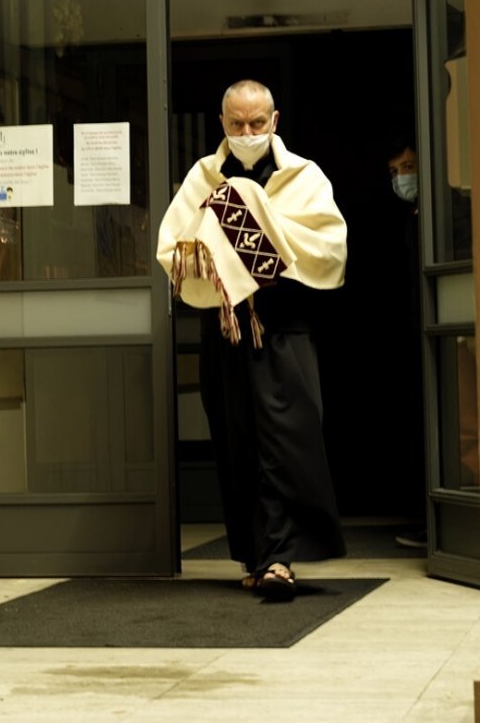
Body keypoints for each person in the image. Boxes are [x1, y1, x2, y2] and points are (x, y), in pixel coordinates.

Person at [157, 79, 348, 600]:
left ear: (275, 120)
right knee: (237, 440)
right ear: (222, 124)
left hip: (284, 328)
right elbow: (174, 250)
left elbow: (329, 246)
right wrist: (219, 245)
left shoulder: (304, 177)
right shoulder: (203, 176)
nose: (247, 132)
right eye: (237, 124)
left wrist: (262, 233)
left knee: (287, 441)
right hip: (227, 329)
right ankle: (256, 554)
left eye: (257, 123)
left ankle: (283, 557)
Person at [386, 136, 427, 550]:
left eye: (409, 168)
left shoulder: (442, 214)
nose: (402, 178)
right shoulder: (413, 218)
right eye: (395, 172)